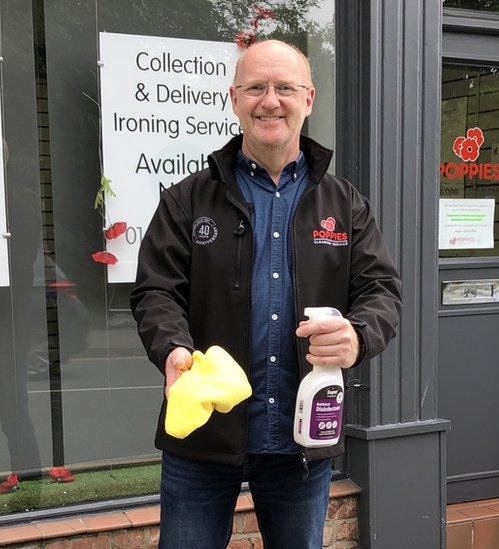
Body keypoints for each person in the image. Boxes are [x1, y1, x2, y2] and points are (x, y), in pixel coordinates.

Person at [131, 39, 401, 549]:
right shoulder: (188, 200)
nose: (270, 100)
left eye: (285, 88)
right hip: (204, 434)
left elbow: (382, 289)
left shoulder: (345, 204)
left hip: (301, 434)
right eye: (255, 87)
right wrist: (171, 347)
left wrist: (358, 336)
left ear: (309, 98)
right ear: (235, 98)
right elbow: (155, 291)